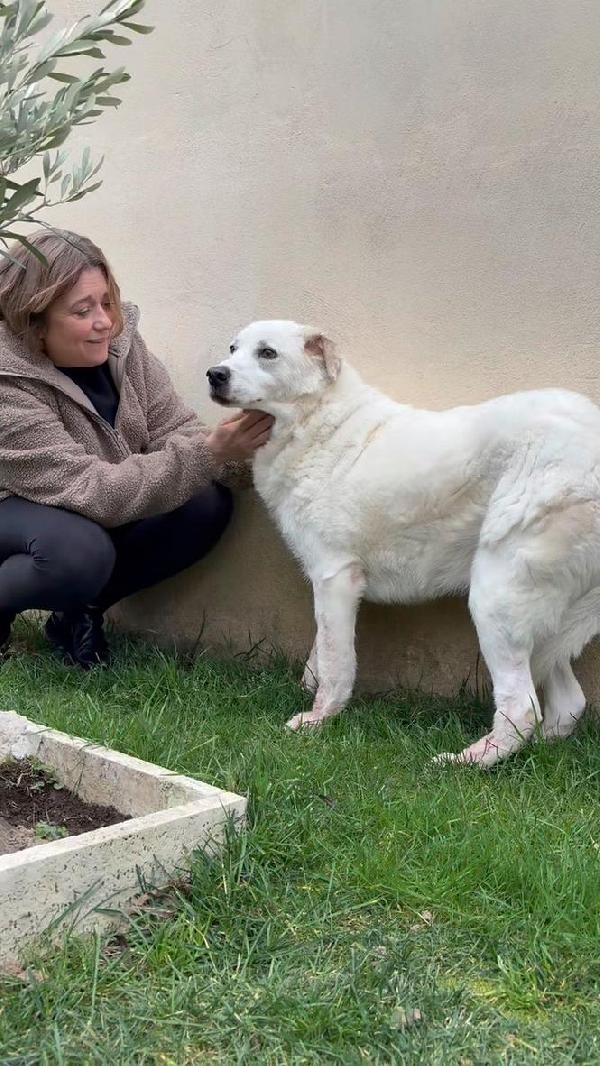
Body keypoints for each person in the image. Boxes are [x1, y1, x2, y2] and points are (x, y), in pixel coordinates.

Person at [0, 229, 272, 667]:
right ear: (35, 321)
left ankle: (78, 612)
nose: (105, 320)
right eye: (82, 310)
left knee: (204, 500)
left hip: (92, 500)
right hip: (16, 509)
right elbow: (90, 490)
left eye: (106, 301)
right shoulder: (7, 380)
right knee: (78, 553)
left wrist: (257, 448)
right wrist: (212, 451)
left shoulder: (122, 347)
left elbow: (176, 429)